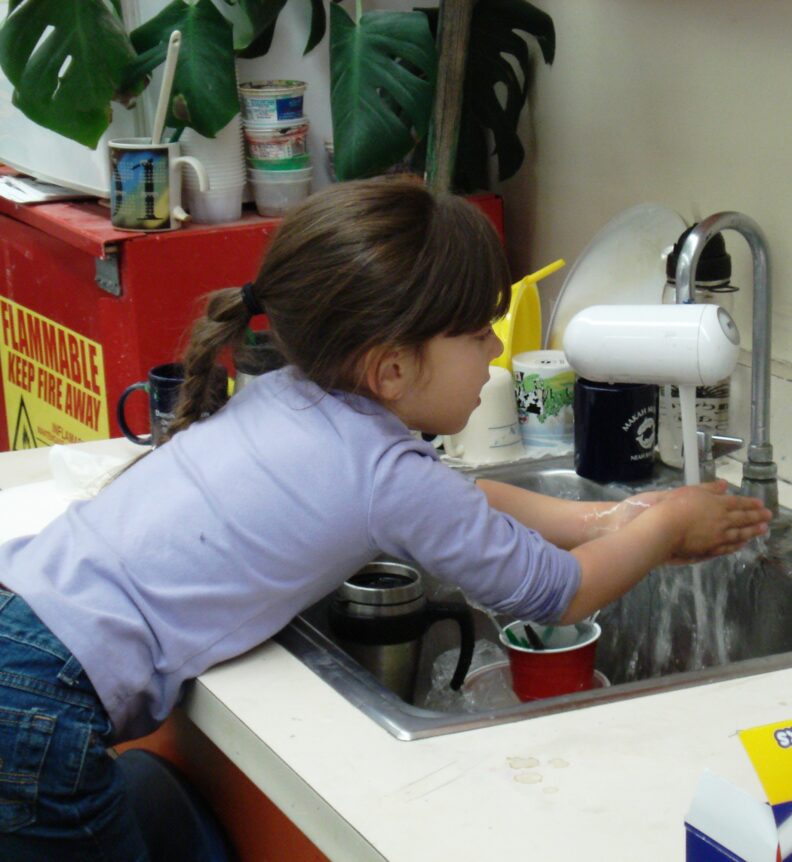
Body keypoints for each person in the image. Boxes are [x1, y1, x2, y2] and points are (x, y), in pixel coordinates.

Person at [0, 177, 771, 860]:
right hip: (43, 714)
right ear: (393, 368)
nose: (494, 350)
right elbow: (560, 594)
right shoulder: (382, 473)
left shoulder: (294, 395)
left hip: (21, 626)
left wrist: (606, 519)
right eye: (477, 333)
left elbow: (458, 501)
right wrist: (663, 530)